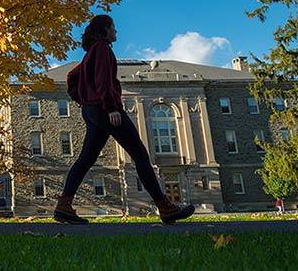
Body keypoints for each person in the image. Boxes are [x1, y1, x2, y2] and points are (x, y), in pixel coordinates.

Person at [54, 14, 195, 225]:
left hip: (92, 111)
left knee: (86, 159)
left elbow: (71, 78)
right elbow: (104, 80)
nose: (116, 32)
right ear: (105, 30)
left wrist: (84, 100)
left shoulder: (90, 53)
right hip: (104, 110)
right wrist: (110, 107)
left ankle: (63, 205)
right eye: (113, 28)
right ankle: (164, 206)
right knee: (139, 153)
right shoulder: (102, 48)